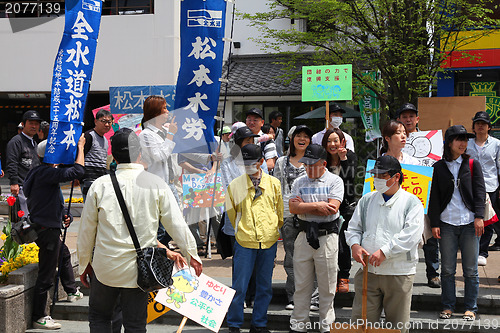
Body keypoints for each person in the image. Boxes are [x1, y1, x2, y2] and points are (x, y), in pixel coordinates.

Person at [78, 128, 202, 332]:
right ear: (139, 153)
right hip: (139, 270)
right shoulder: (156, 184)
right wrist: (192, 255)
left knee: (100, 318)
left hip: (105, 267)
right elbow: (176, 224)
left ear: (114, 155)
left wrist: (84, 264)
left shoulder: (100, 185)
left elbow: (86, 232)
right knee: (135, 324)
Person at [345, 155, 424, 333]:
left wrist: (385, 251)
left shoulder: (412, 202)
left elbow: (411, 235)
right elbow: (354, 227)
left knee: (397, 326)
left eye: (383, 175)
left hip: (399, 273)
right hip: (368, 271)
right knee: (361, 324)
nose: (377, 179)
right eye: (376, 175)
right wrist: (355, 245)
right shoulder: (367, 200)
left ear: (396, 177)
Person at [24, 138, 86, 330]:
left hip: (47, 227)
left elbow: (49, 201)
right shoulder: (46, 172)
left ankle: (71, 290)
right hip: (47, 231)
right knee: (46, 274)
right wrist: (81, 148)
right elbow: (79, 171)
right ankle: (40, 315)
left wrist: (65, 216)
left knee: (64, 253)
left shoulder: (39, 172)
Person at [428, 125, 485, 321]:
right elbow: (433, 198)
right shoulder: (438, 167)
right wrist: (434, 223)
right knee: (448, 270)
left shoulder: (472, 163)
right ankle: (448, 306)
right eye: (459, 139)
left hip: (470, 223)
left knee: (471, 270)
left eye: (465, 139)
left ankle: (471, 307)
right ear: (449, 143)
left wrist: (479, 216)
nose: (463, 143)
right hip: (446, 223)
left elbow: (480, 192)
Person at [226, 144, 283, 333]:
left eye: (252, 162)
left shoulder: (274, 183)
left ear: (261, 162)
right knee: (239, 286)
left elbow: (279, 212)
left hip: (268, 240)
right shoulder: (235, 185)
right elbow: (232, 213)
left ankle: (259, 323)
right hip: (244, 241)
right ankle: (234, 324)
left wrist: (272, 228)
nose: (248, 166)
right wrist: (243, 229)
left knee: (264, 286)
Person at [289, 144, 344, 333]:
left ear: (324, 164)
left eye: (313, 165)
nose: (309, 169)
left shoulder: (335, 181)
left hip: (327, 236)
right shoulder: (299, 181)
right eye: (307, 165)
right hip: (303, 234)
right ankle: (298, 325)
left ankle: (327, 326)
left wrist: (305, 205)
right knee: (301, 285)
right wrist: (318, 204)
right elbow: (293, 208)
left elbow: (332, 208)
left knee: (327, 286)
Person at [273, 125, 319, 310]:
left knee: (313, 256)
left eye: (306, 136)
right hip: (288, 214)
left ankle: (314, 298)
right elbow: (276, 189)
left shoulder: (315, 161)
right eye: (298, 135)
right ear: (291, 139)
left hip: (311, 215)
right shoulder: (281, 162)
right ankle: (293, 297)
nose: (302, 139)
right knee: (291, 258)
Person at [396, 103, 441, 288]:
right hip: (401, 195)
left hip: (424, 192)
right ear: (399, 119)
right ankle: (402, 273)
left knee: (428, 235)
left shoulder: (430, 140)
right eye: (404, 116)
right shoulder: (394, 139)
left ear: (417, 119)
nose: (408, 119)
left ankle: (433, 273)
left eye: (411, 116)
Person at [322, 128, 358, 293]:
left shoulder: (349, 156)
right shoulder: (323, 159)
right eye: (329, 141)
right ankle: (330, 277)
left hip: (345, 207)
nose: (332, 144)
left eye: (336, 140)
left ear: (342, 141)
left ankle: (344, 277)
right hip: (325, 205)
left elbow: (349, 179)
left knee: (342, 243)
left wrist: (343, 159)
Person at [467, 111, 500, 266]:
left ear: (489, 127)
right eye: (477, 123)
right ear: (473, 127)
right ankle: (470, 249)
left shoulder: (496, 144)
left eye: (483, 124)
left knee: (487, 219)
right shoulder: (467, 144)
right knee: (470, 218)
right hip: (470, 186)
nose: (480, 126)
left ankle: (482, 252)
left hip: (490, 186)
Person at [6, 110, 42, 213]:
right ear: (23, 124)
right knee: (24, 219)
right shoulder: (16, 142)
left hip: (34, 186)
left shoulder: (33, 142)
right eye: (31, 123)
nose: (34, 126)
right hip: (22, 186)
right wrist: (14, 182)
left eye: (36, 124)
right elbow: (11, 162)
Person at [81, 108, 113, 201]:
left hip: (100, 181)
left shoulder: (105, 140)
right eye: (103, 121)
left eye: (109, 122)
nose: (107, 124)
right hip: (88, 181)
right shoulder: (89, 136)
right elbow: (81, 156)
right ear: (95, 121)